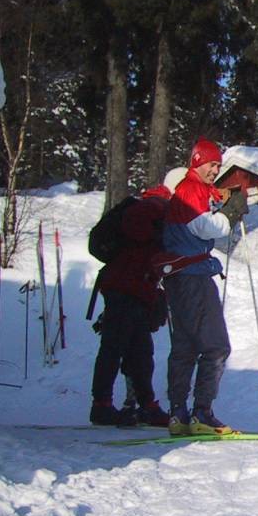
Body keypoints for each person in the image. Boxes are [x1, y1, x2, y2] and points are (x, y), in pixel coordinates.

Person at [162, 138, 249, 436]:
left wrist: (225, 198)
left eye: (218, 166)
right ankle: (202, 412)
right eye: (212, 165)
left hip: (178, 275)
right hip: (193, 276)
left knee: (185, 346)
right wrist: (231, 214)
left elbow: (211, 199)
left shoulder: (192, 189)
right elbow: (206, 226)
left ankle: (178, 414)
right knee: (216, 345)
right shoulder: (191, 190)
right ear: (198, 161)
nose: (216, 171)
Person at [89, 178, 178, 427]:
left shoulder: (156, 206)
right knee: (115, 347)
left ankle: (145, 405)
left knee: (139, 350)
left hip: (134, 288)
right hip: (124, 287)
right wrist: (160, 233)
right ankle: (102, 405)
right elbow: (136, 228)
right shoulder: (156, 205)